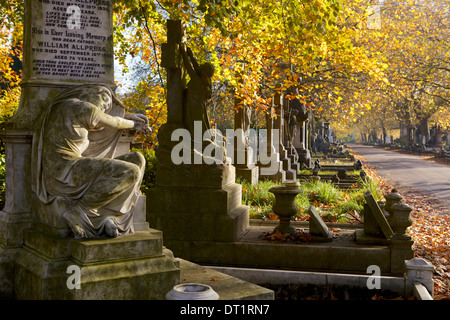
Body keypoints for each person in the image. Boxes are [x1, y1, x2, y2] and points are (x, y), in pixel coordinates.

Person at [32, 84, 151, 239]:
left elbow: (107, 118)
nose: (106, 105)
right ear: (88, 93)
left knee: (137, 159)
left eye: (109, 105)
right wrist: (136, 124)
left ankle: (106, 215)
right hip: (64, 173)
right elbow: (112, 122)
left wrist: (128, 117)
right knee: (130, 171)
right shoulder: (77, 106)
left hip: (70, 169)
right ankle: (80, 212)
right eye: (105, 100)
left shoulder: (71, 108)